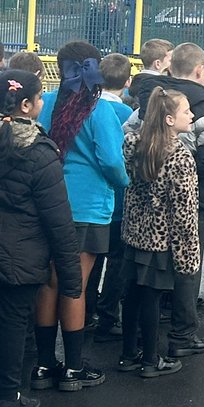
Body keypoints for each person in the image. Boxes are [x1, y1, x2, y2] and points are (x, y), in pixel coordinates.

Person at [35, 41, 128, 392]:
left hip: (47, 202)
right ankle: (74, 368)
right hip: (88, 208)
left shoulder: (47, 103)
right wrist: (124, 182)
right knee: (75, 285)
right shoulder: (99, 110)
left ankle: (44, 365)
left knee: (50, 281)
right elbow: (112, 161)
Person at [0, 70, 81, 407]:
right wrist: (71, 279)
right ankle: (7, 395)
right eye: (38, 98)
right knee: (13, 324)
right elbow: (58, 220)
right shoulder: (38, 151)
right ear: (26, 105)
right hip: (21, 256)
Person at [151, 43, 204, 359]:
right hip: (190, 195)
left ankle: (150, 322)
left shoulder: (154, 95)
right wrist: (186, 170)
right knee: (188, 261)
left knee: (154, 259)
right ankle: (184, 331)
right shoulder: (201, 103)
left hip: (151, 195)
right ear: (200, 70)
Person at [120, 85, 199, 377]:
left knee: (132, 296)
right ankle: (151, 360)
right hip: (161, 240)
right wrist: (187, 254)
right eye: (186, 111)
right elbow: (184, 211)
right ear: (169, 119)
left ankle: (129, 354)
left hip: (135, 234)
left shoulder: (135, 145)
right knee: (152, 299)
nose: (192, 116)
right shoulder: (180, 156)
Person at [88, 53, 134, 343]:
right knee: (116, 261)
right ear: (127, 82)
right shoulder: (125, 113)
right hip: (118, 200)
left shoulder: (88, 107)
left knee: (91, 261)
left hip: (93, 201)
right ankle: (108, 316)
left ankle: (85, 312)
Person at [128, 39, 173, 109]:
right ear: (158, 64)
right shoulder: (162, 87)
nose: (172, 63)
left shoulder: (135, 82)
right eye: (170, 61)